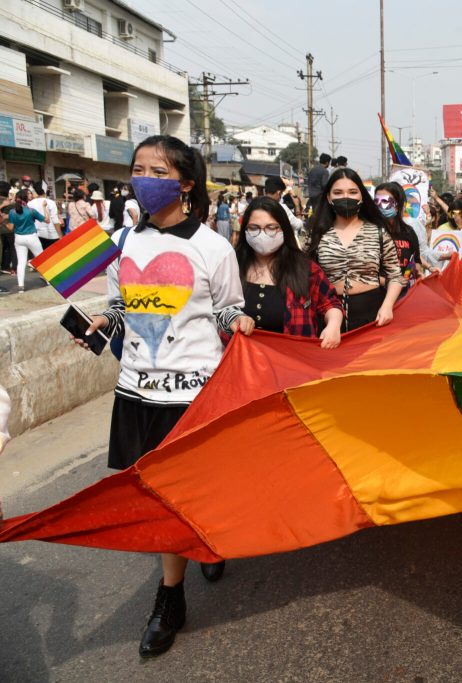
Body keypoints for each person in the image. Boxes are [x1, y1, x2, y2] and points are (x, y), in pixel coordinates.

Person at [74, 135, 251, 657]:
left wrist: (237, 321)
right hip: (136, 390)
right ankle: (189, 560)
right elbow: (122, 305)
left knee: (186, 492)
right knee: (157, 495)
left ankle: (170, 593)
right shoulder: (124, 242)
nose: (144, 178)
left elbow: (224, 309)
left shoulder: (213, 246)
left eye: (158, 170)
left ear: (185, 183)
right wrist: (103, 320)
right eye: (138, 168)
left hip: (192, 393)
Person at [235, 196, 343, 345]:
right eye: (254, 228)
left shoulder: (305, 269)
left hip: (292, 361)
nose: (262, 234)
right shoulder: (232, 267)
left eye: (271, 227)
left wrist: (334, 325)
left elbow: (330, 303)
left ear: (284, 229)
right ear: (245, 230)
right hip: (243, 361)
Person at [306, 167, 402, 331]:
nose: (346, 197)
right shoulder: (317, 233)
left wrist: (387, 306)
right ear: (329, 197)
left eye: (352, 192)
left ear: (362, 196)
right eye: (338, 192)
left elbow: (395, 275)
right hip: (327, 317)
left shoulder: (378, 232)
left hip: (373, 315)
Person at [375, 182, 428, 292]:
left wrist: (416, 273)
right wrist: (387, 282)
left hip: (405, 296)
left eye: (385, 201)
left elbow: (416, 261)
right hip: (377, 297)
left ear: (398, 204)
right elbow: (363, 272)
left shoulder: (409, 232)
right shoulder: (370, 232)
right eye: (376, 201)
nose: (379, 205)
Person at [9, 190, 46, 292]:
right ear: (26, 199)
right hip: (32, 237)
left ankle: (21, 286)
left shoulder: (12, 212)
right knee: (42, 259)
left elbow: (10, 227)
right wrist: (44, 207)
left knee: (21, 262)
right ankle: (48, 281)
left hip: (19, 238)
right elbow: (47, 220)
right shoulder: (31, 211)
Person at [29, 182, 61, 249]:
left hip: (37, 234)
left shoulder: (30, 203)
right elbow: (55, 220)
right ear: (45, 190)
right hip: (52, 235)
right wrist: (60, 235)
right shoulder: (51, 202)